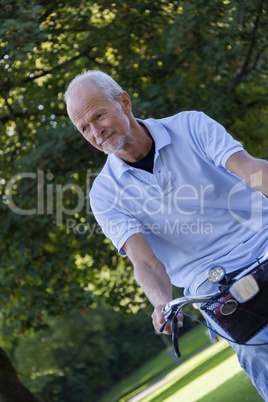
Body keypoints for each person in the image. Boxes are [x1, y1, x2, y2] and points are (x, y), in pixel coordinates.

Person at [65, 70, 268, 400]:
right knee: (254, 345)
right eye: (84, 128)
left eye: (99, 115)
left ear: (124, 102)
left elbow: (249, 170)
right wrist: (162, 304)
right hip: (210, 280)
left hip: (263, 237)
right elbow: (144, 260)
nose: (95, 132)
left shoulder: (191, 125)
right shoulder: (104, 194)